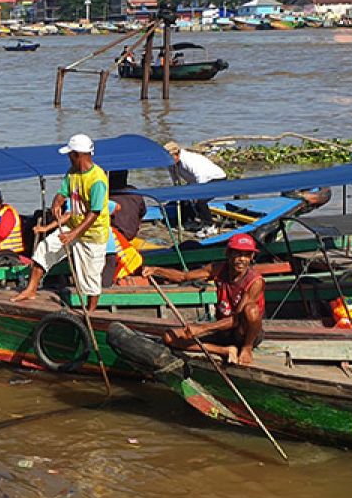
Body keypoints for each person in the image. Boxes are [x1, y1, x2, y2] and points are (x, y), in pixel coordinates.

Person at [11, 133, 109, 311]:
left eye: (70, 154)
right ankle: (31, 290)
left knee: (90, 276)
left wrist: (73, 234)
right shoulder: (72, 173)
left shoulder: (97, 179)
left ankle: (91, 311)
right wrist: (57, 202)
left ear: (77, 155)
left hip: (92, 235)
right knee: (44, 248)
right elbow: (62, 193)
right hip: (72, 226)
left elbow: (94, 213)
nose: (68, 158)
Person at [140, 233, 264, 365]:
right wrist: (156, 270)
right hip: (223, 331)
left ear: (251, 257)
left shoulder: (255, 281)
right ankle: (224, 350)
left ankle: (247, 348)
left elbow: (236, 320)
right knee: (169, 337)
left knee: (252, 311)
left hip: (243, 333)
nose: (241, 259)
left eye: (246, 255)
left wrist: (202, 328)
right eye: (238, 254)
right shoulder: (218, 269)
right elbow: (184, 277)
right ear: (229, 254)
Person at [164, 141, 226, 232]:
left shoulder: (188, 160)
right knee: (183, 197)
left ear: (176, 155)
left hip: (215, 178)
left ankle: (209, 225)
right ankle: (189, 221)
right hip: (195, 181)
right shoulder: (171, 164)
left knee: (200, 201)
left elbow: (200, 176)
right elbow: (175, 179)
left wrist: (198, 192)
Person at [102, 171, 146, 287]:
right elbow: (142, 213)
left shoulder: (106, 194)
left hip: (118, 237)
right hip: (130, 234)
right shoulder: (135, 193)